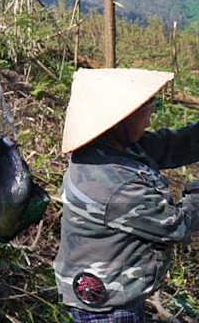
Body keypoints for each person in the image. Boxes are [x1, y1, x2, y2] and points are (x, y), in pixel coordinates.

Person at [55, 68, 199, 322]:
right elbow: (176, 225)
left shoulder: (110, 147)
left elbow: (170, 146)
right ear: (121, 119)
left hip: (116, 291)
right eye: (145, 115)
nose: (149, 123)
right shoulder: (112, 182)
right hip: (107, 306)